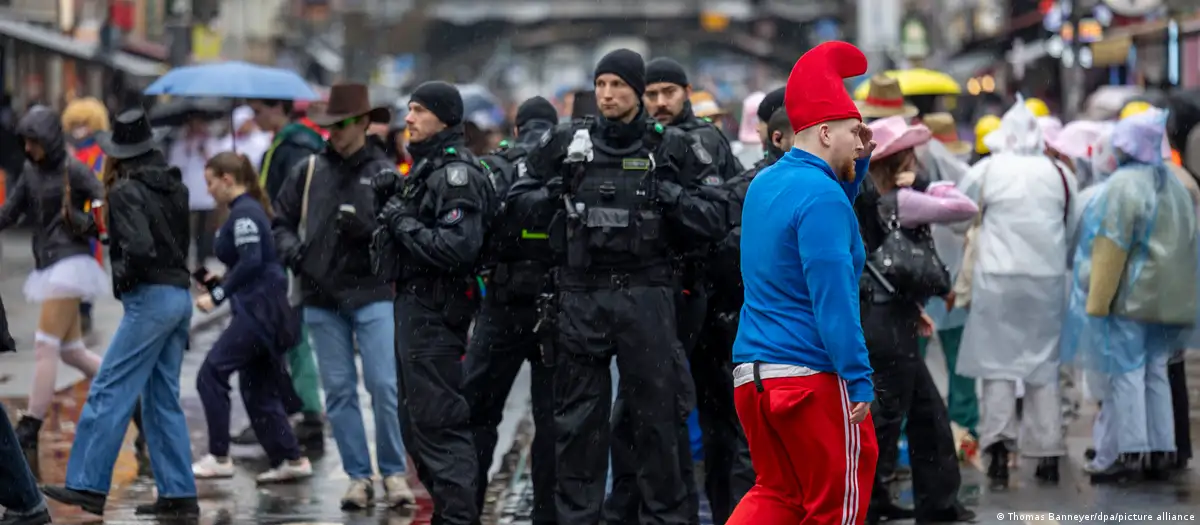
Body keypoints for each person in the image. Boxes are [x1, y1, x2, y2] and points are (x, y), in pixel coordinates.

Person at [525, 48, 728, 525]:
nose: (607, 94)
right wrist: (553, 198)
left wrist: (669, 195)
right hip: (581, 295)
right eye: (601, 84)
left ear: (636, 91)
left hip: (647, 294)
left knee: (657, 422)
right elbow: (517, 205)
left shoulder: (672, 148)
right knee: (578, 427)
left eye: (617, 85)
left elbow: (715, 217)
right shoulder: (567, 143)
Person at [727, 41, 877, 525]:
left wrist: (853, 174)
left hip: (755, 377)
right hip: (810, 379)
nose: (862, 142)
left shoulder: (766, 182)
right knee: (837, 509)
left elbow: (808, 229)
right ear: (826, 132)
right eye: (854, 132)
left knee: (778, 496)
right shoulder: (822, 198)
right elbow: (834, 300)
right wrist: (858, 376)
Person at [609, 56, 748, 525]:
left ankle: (728, 512)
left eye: (668, 92)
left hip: (705, 296)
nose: (660, 102)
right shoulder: (632, 144)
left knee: (719, 416)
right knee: (643, 413)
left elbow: (720, 216)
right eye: (651, 94)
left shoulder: (705, 142)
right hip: (654, 297)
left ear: (686, 93)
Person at [41, 109, 198, 519]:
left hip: (150, 300)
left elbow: (140, 247)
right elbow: (160, 239)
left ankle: (87, 484)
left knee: (109, 389)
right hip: (178, 296)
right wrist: (98, 229)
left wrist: (124, 276)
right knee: (162, 399)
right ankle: (179, 494)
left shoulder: (127, 190)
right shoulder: (174, 186)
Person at [272, 83, 412, 509]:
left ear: (364, 123)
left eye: (344, 123)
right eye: (331, 124)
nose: (334, 131)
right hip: (321, 296)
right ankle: (359, 477)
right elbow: (279, 221)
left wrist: (369, 233)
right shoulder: (309, 170)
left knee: (384, 385)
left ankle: (393, 473)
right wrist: (294, 254)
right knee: (339, 392)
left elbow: (403, 230)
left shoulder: (385, 171)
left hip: (373, 292)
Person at [374, 80, 495, 525]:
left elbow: (456, 248)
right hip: (414, 307)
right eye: (409, 109)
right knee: (416, 427)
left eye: (419, 110)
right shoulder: (425, 170)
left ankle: (459, 517)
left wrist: (401, 221)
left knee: (440, 426)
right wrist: (391, 203)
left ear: (445, 118)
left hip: (436, 311)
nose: (408, 118)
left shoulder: (455, 175)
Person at [854, 116, 977, 524]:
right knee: (892, 419)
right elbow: (964, 208)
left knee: (921, 413)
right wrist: (931, 185)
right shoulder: (899, 200)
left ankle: (925, 501)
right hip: (887, 322)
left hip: (887, 314)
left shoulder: (869, 198)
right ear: (899, 161)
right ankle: (873, 504)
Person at [1063, 109, 1198, 482]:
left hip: (1132, 299)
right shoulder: (1172, 182)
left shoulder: (1122, 186)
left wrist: (1098, 301)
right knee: (1157, 372)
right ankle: (1161, 449)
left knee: (1127, 374)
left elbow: (1111, 248)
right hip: (1168, 301)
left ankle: (1130, 452)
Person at [955, 96, 1074, 489]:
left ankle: (999, 451)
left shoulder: (988, 169)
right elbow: (1072, 226)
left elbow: (959, 214)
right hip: (1047, 280)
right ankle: (1048, 452)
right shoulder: (1059, 173)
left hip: (997, 280)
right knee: (1044, 366)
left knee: (998, 367)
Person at [0, 106, 116, 477]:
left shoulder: (73, 168)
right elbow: (11, 211)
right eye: (25, 142)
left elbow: (102, 199)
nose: (28, 149)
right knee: (71, 351)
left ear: (48, 139)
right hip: (49, 262)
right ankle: (131, 393)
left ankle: (31, 425)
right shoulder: (31, 171)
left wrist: (89, 221)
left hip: (73, 261)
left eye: (33, 142)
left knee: (45, 344)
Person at [463, 95, 559, 525]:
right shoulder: (565, 166)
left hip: (501, 306)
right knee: (553, 421)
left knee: (478, 415)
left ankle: (466, 509)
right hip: (555, 307)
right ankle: (547, 515)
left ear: (517, 130)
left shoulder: (497, 166)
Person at [190, 151, 313, 484]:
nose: (208, 190)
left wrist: (218, 295)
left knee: (211, 374)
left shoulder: (245, 213)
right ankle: (291, 458)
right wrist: (220, 281)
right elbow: (250, 265)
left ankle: (219, 456)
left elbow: (252, 260)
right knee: (258, 390)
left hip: (258, 312)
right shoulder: (246, 211)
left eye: (210, 182)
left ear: (227, 180)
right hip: (263, 308)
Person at [236, 96, 327, 450]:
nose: (255, 118)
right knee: (288, 332)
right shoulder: (286, 144)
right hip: (283, 249)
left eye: (259, 111)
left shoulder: (294, 147)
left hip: (285, 253)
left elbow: (289, 204)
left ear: (279, 109)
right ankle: (294, 412)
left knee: (287, 333)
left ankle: (296, 412)